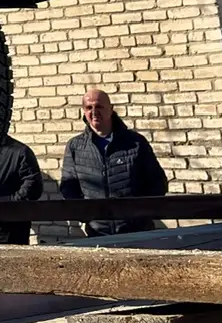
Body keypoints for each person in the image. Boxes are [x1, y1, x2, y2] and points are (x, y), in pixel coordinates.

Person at [60, 87, 169, 236]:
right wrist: (87, 215)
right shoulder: (75, 146)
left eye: (99, 106)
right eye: (89, 107)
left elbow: (157, 183)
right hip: (97, 233)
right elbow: (69, 187)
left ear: (111, 109)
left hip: (137, 232)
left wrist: (139, 213)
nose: (94, 112)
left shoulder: (135, 142)